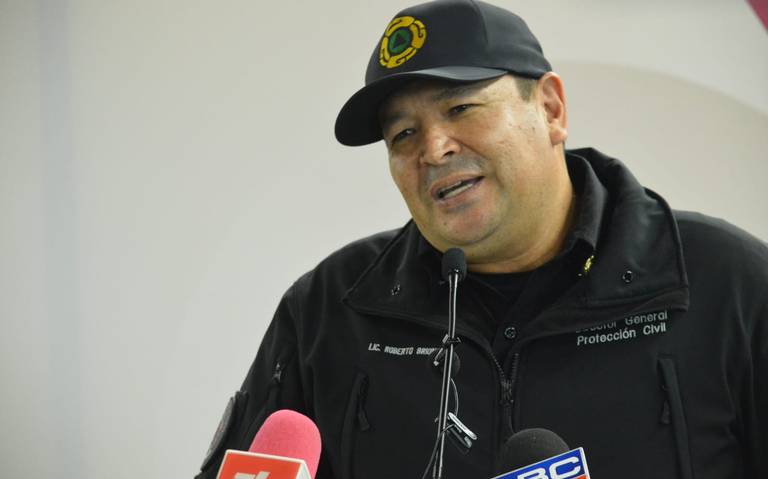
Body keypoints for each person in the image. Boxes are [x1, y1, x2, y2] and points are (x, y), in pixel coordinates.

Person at [196, 1, 767, 478]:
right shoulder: (328, 310)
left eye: (461, 107)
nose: (433, 148)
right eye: (403, 134)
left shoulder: (727, 284)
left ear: (551, 109)